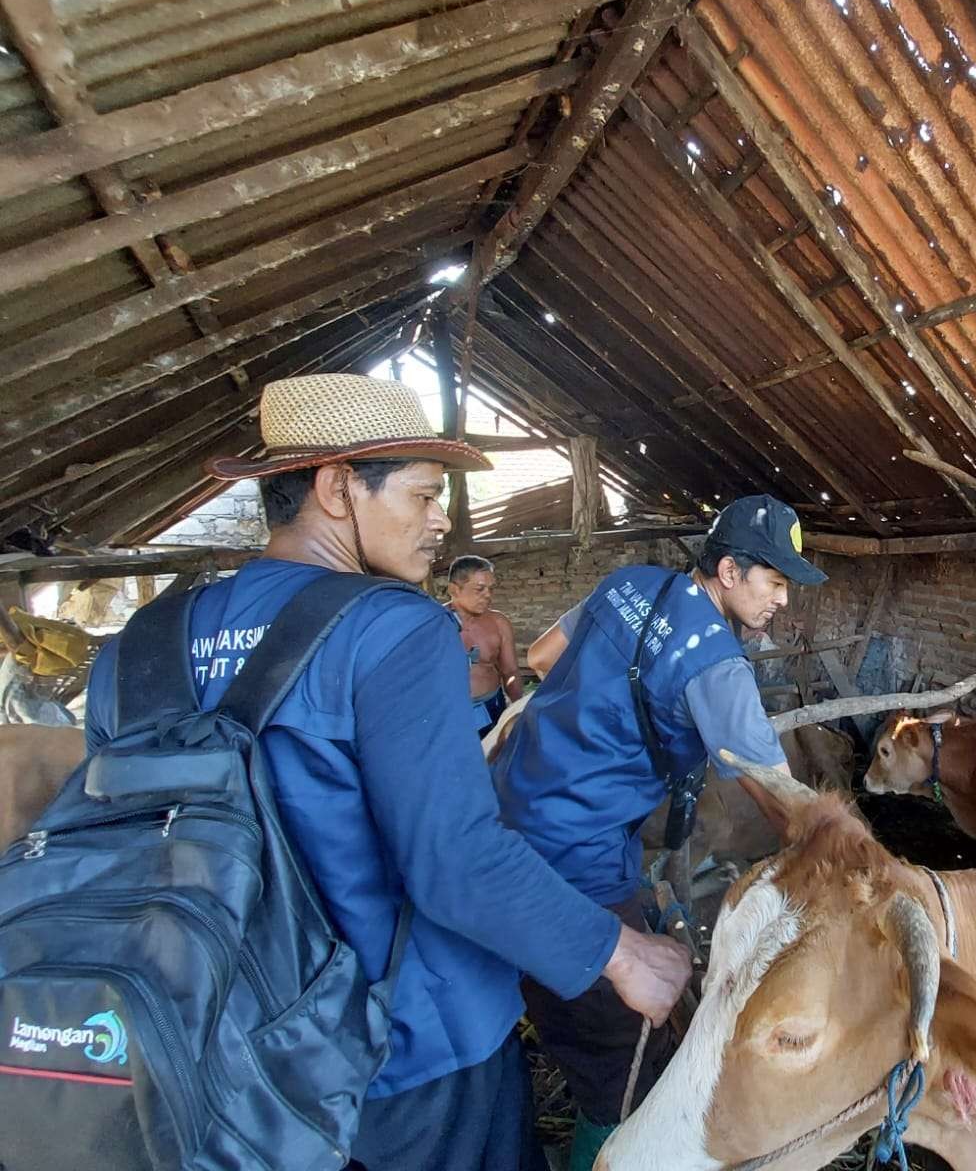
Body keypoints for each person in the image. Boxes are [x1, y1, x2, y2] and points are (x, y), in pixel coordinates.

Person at [83, 375, 691, 1171]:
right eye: (425, 494)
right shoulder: (393, 629)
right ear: (337, 487)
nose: (442, 520)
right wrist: (621, 952)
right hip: (405, 1056)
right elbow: (454, 859)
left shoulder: (136, 646)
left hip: (208, 1050)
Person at [494, 494, 825, 1170]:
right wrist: (839, 863)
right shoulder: (717, 666)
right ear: (730, 571)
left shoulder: (631, 583)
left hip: (501, 804)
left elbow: (542, 655)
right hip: (576, 855)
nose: (783, 602)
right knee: (622, 1054)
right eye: (776, 582)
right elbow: (780, 797)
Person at [444, 554, 522, 736]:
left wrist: (519, 708)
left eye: (490, 589)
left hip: (491, 706)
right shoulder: (434, 624)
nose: (488, 595)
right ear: (454, 589)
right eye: (480, 589)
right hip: (448, 712)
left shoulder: (499, 623)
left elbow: (510, 672)